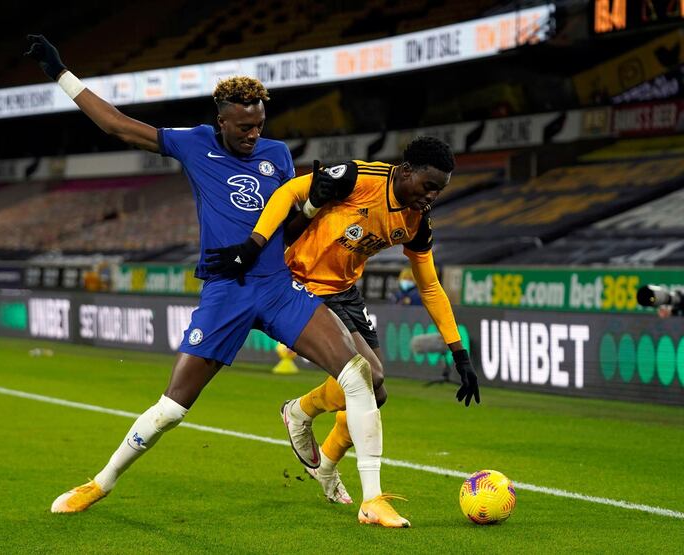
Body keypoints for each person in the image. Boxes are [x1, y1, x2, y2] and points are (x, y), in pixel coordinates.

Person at [24, 35, 409, 528]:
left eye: (259, 125)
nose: (252, 135)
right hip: (226, 293)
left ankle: (372, 500)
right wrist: (60, 72)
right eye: (243, 127)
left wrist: (313, 203)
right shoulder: (193, 143)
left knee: (358, 376)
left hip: (276, 285)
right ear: (221, 121)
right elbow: (117, 125)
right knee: (171, 409)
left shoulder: (277, 154)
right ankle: (99, 483)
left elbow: (286, 229)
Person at [206, 137, 480, 505]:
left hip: (345, 291)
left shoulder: (417, 222)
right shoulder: (358, 178)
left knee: (376, 394)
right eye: (428, 186)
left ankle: (325, 463)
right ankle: (300, 411)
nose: (431, 196)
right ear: (407, 171)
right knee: (373, 376)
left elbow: (429, 286)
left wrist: (458, 352)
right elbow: (289, 191)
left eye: (439, 191)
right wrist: (255, 244)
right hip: (300, 283)